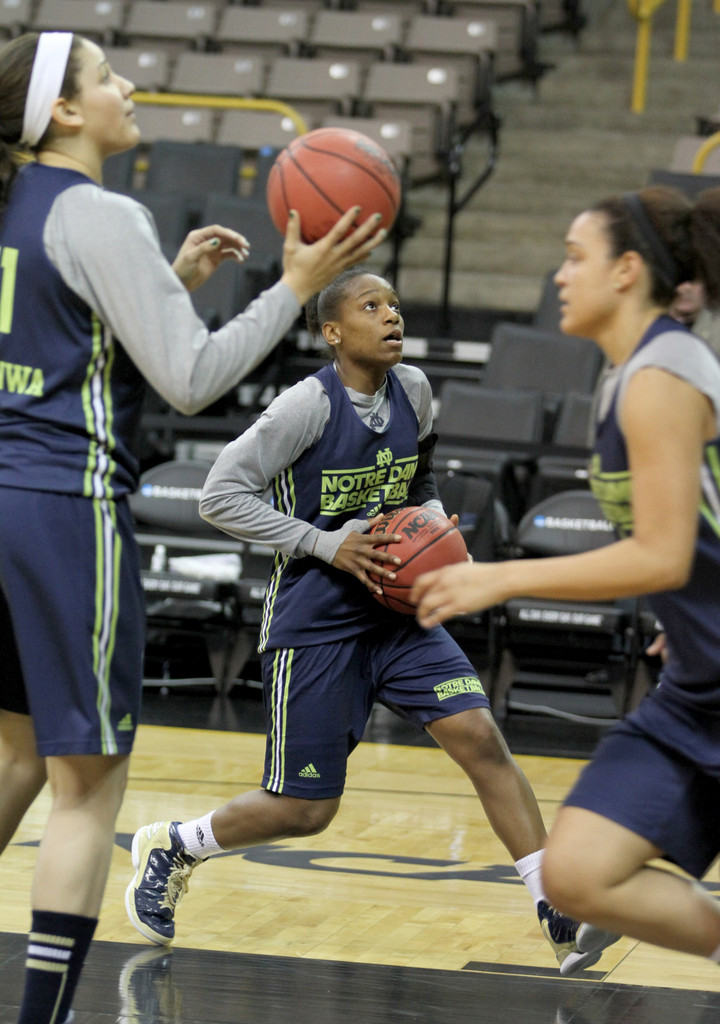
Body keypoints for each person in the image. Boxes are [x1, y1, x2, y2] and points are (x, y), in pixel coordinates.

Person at [0, 29, 387, 1024]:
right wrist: (295, 289)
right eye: (107, 78)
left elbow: (67, 339)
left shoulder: (17, 206)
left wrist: (162, 285)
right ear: (66, 113)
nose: (128, 88)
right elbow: (193, 377)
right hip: (59, 513)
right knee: (87, 789)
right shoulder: (94, 209)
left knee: (12, 757)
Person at [125, 266, 618, 977]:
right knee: (303, 810)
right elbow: (218, 496)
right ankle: (176, 843)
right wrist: (326, 542)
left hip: (396, 613)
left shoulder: (414, 390)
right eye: (371, 306)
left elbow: (417, 482)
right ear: (333, 332)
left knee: (479, 735)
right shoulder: (303, 409)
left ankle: (557, 908)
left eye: (394, 304)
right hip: (316, 623)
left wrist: (435, 525)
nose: (392, 316)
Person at [411, 185, 720, 965]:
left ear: (626, 271)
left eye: (575, 256)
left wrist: (500, 579)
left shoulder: (662, 377)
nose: (559, 274)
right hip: (700, 681)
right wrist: (683, 620)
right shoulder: (632, 373)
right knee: (575, 877)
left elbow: (663, 554)